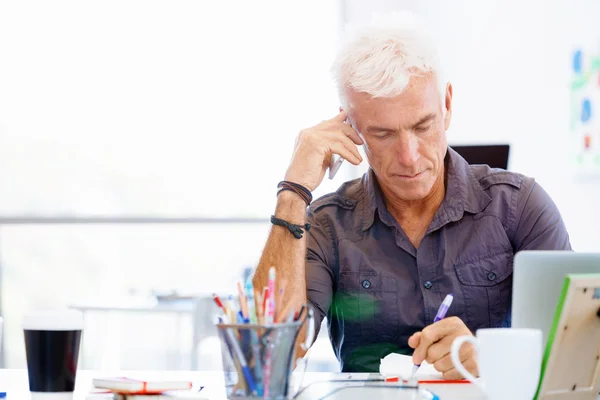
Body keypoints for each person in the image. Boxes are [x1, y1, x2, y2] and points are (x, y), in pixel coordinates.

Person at [252, 12, 571, 377]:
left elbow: (575, 355)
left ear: (447, 105)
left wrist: (491, 361)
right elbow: (268, 358)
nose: (409, 157)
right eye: (383, 134)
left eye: (423, 126)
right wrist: (293, 192)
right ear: (350, 127)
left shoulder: (520, 206)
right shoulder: (327, 226)